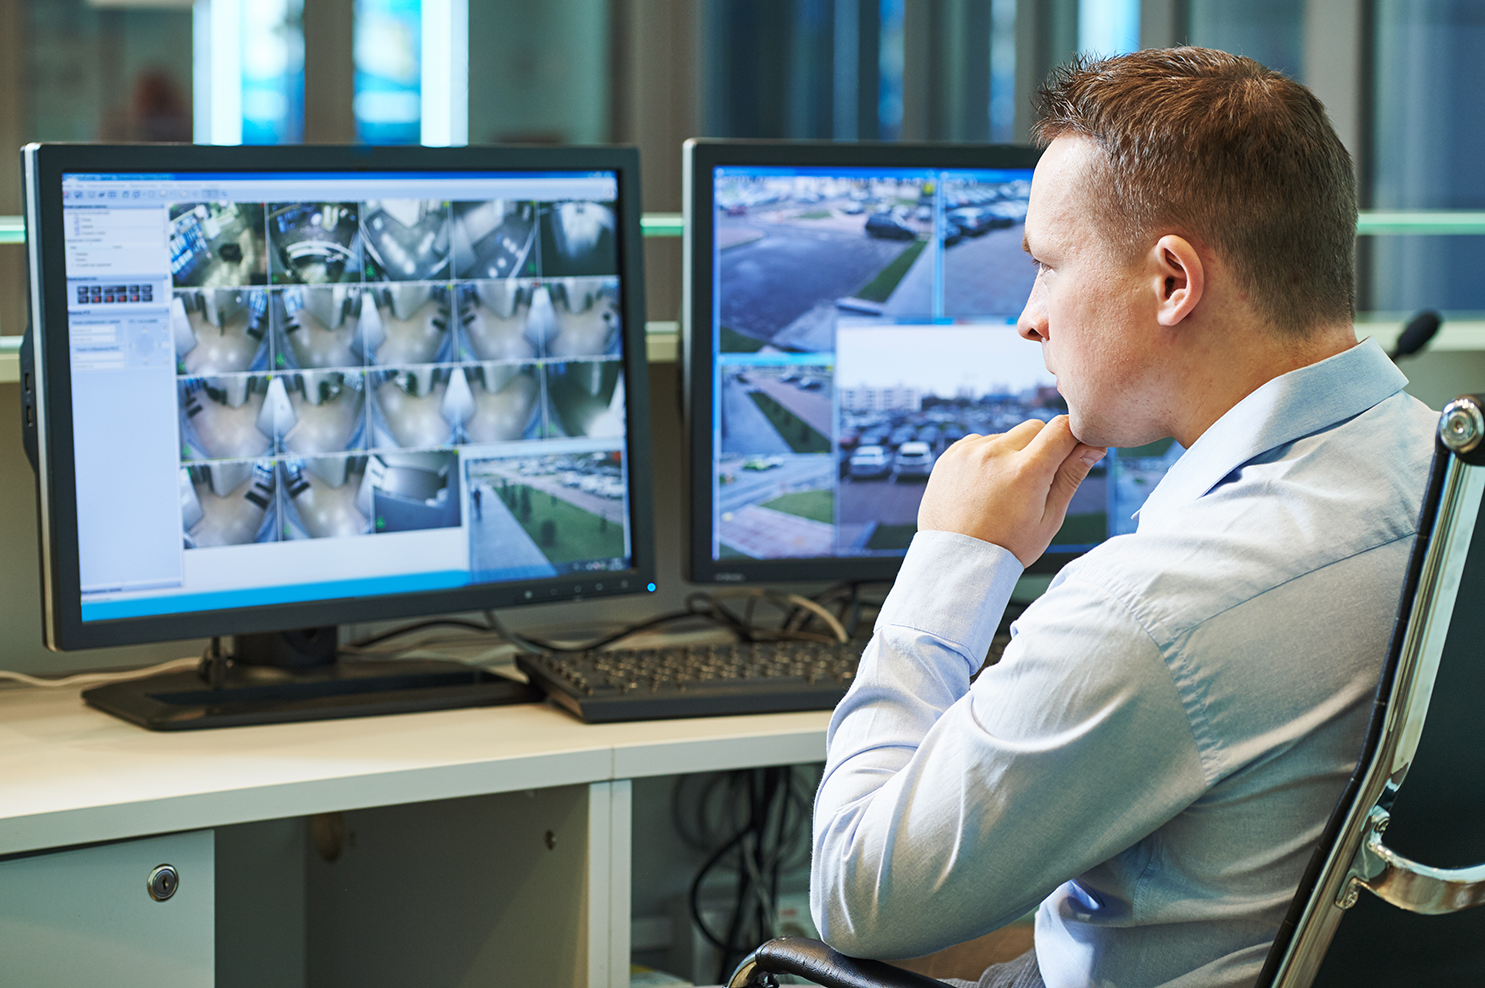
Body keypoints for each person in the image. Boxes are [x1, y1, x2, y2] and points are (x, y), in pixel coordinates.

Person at [810, 48, 1440, 988]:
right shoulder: (1447, 477)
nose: (1028, 320)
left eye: (1048, 267)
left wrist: (950, 562)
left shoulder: (1153, 605)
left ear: (1173, 283)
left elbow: (860, 898)